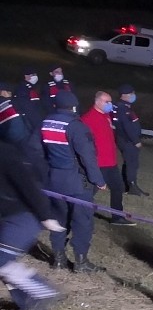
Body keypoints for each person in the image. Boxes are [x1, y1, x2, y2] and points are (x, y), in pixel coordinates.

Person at [0, 117, 64, 310]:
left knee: (2, 261)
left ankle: (42, 290)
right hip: (7, 217)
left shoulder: (7, 154)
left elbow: (29, 187)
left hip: (22, 218)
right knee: (5, 264)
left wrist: (46, 216)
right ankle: (31, 305)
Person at [39, 92, 106, 272]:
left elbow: (36, 150)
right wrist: (98, 180)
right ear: (74, 106)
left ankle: (59, 260)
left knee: (59, 219)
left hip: (53, 180)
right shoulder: (76, 126)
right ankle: (81, 262)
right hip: (77, 183)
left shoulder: (45, 123)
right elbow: (87, 157)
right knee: (82, 221)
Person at [80, 91, 128, 222]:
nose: (110, 104)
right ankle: (81, 216)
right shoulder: (87, 119)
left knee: (118, 188)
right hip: (98, 163)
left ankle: (117, 217)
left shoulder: (106, 115)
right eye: (107, 102)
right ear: (98, 102)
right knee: (90, 192)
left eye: (110, 101)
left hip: (111, 162)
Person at [112, 84, 147, 196]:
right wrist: (135, 141)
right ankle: (132, 187)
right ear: (125, 95)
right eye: (131, 93)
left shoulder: (122, 107)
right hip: (128, 141)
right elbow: (127, 126)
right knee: (132, 163)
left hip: (125, 140)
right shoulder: (123, 109)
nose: (134, 95)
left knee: (129, 163)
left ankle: (127, 185)